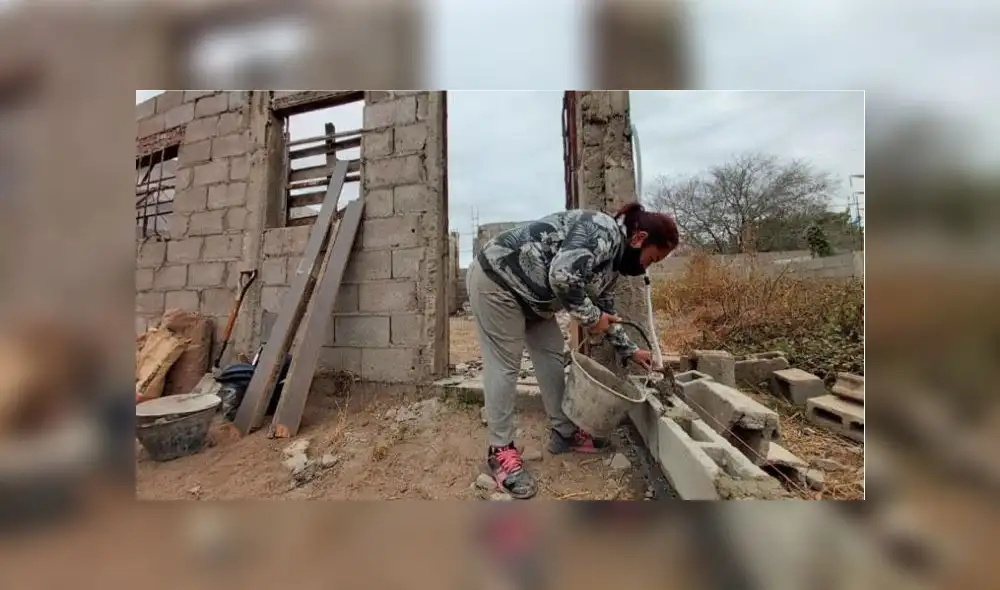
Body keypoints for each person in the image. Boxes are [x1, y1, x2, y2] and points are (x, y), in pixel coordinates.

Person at [467, 202, 679, 499]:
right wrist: (593, 318)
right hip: (498, 281)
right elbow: (562, 277)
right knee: (505, 364)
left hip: (533, 299)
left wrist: (630, 351)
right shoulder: (601, 230)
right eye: (652, 258)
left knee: (552, 355)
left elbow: (605, 311)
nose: (646, 267)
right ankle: (500, 450)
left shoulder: (612, 263)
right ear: (640, 238)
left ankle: (565, 433)